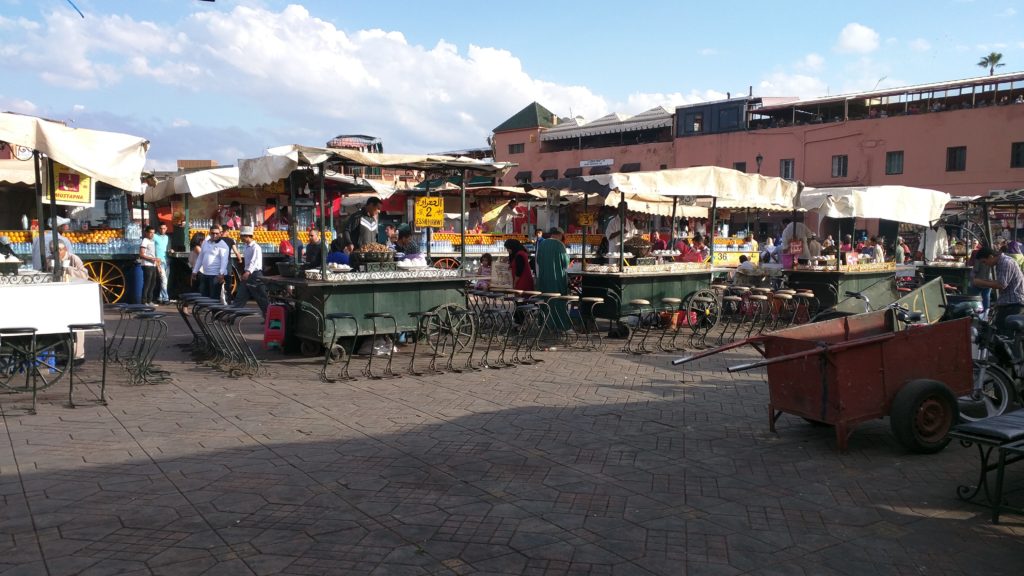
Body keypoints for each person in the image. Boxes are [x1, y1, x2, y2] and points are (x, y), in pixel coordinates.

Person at [973, 246, 1024, 332]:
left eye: (984, 262)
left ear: (990, 257)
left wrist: (980, 282)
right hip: (1008, 303)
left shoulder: (1006, 263)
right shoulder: (1000, 263)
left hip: (1014, 304)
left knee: (1004, 335)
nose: (985, 264)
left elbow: (1001, 284)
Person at [233, 226, 268, 316]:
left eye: (242, 236)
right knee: (240, 296)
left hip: (255, 275)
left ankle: (269, 318)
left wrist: (248, 272)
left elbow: (254, 261)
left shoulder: (256, 247)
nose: (241, 238)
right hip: (248, 274)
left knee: (261, 298)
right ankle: (231, 316)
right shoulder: (246, 247)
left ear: (247, 236)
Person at [192, 226, 229, 301]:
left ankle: (215, 312)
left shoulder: (223, 245)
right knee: (204, 296)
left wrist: (221, 273)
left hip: (215, 275)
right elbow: (200, 258)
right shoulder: (205, 243)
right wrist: (195, 271)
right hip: (205, 274)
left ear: (220, 234)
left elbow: (224, 261)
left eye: (217, 233)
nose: (215, 235)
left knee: (214, 298)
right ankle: (206, 312)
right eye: (213, 233)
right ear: (209, 233)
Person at [139, 226, 159, 305]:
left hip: (153, 265)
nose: (152, 234)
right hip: (147, 265)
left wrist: (155, 261)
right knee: (147, 283)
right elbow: (141, 254)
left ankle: (149, 300)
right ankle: (144, 301)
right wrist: (151, 259)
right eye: (150, 233)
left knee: (153, 283)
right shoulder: (145, 241)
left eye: (153, 233)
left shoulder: (153, 241)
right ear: (146, 233)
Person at [153, 223, 170, 304]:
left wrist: (170, 250)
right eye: (161, 228)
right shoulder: (154, 236)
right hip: (159, 261)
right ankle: (166, 298)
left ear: (166, 228)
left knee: (164, 280)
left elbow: (166, 248)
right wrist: (155, 260)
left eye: (164, 228)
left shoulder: (167, 237)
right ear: (158, 228)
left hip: (166, 260)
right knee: (164, 280)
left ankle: (160, 297)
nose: (162, 230)